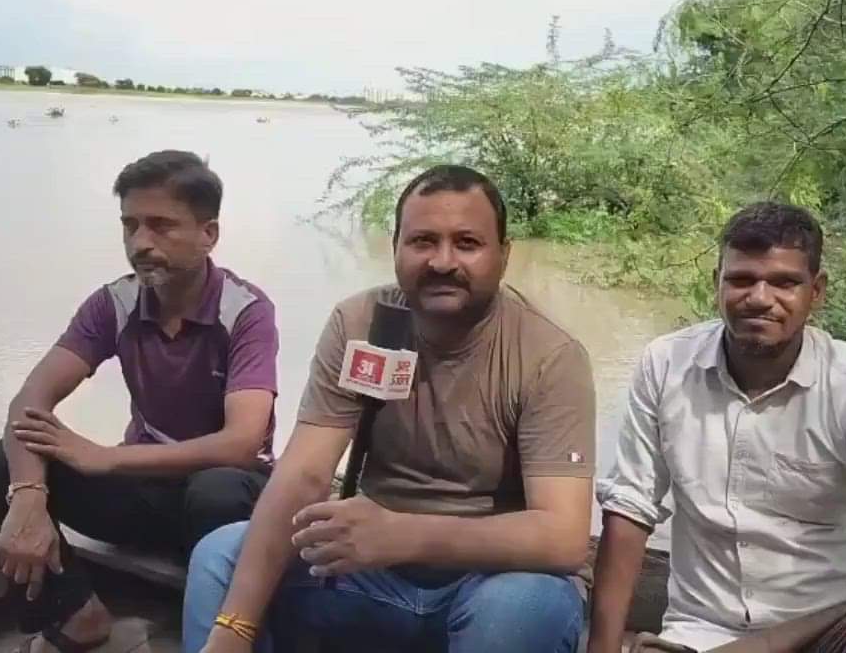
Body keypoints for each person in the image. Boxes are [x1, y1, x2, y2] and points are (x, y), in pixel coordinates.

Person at [182, 164, 598, 653]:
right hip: (370, 572)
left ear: (504, 256)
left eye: (467, 243)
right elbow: (303, 475)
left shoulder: (549, 355)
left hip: (489, 582)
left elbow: (563, 537)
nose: (443, 261)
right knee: (220, 556)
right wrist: (235, 627)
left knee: (524, 607)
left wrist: (405, 535)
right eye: (423, 241)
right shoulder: (359, 322)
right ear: (395, 247)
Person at [589, 202, 846, 653]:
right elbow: (629, 510)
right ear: (716, 284)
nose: (760, 297)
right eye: (741, 279)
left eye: (785, 282)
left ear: (816, 291)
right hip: (703, 636)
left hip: (831, 631)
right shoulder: (666, 366)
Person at [0, 150, 279, 653]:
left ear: (209, 234)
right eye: (131, 226)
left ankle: (212, 622)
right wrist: (28, 494)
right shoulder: (114, 303)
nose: (141, 243)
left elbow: (242, 443)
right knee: (0, 463)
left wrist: (107, 457)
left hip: (223, 500)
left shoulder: (245, 311)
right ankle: (76, 616)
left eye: (161, 226)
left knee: (217, 490)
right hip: (144, 491)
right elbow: (28, 403)